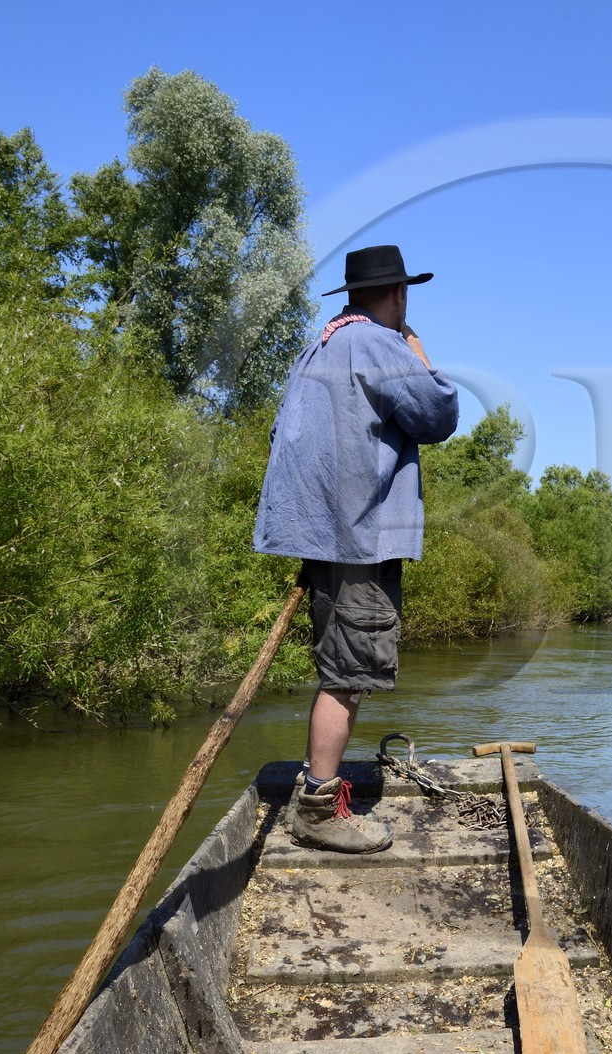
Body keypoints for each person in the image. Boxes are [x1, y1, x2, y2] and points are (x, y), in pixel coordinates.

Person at [253, 245, 459, 853]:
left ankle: (319, 793)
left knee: (341, 668)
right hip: (359, 537)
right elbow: (438, 413)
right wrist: (420, 354)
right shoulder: (377, 343)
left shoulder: (317, 347)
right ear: (398, 294)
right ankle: (318, 807)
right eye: (405, 297)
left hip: (324, 534)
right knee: (348, 674)